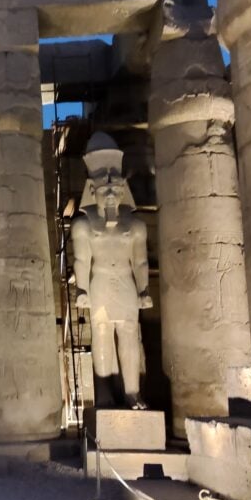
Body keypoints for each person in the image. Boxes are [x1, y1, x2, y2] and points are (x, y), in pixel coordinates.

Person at [72, 132, 152, 408]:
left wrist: (144, 289)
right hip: (101, 282)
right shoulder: (83, 225)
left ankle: (132, 392)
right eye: (104, 190)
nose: (110, 195)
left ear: (123, 190)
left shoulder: (135, 225)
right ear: (91, 190)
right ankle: (104, 392)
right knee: (103, 335)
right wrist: (81, 288)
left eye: (115, 190)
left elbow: (140, 262)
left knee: (129, 335)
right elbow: (82, 261)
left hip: (126, 282)